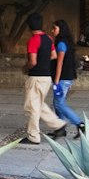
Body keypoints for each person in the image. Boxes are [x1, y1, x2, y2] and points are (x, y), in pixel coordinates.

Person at [21, 13, 67, 144]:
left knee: (31, 107)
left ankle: (33, 136)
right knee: (39, 104)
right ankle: (58, 124)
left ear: (29, 26)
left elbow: (33, 62)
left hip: (36, 77)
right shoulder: (48, 39)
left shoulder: (33, 40)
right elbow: (53, 56)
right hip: (47, 77)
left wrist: (25, 67)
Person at [50, 18, 85, 138]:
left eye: (55, 28)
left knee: (59, 104)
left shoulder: (61, 44)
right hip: (66, 77)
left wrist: (56, 81)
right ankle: (60, 128)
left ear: (61, 29)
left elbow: (60, 64)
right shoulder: (65, 42)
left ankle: (79, 124)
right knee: (58, 103)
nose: (52, 30)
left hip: (62, 78)